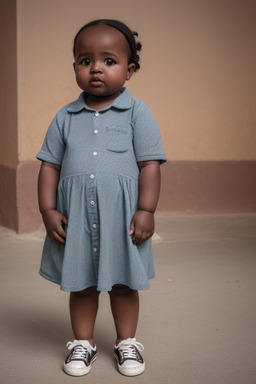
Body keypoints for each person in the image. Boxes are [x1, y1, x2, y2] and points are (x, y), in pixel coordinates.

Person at [37, 19, 166, 377]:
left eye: (109, 60)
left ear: (130, 70)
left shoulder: (138, 113)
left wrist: (146, 209)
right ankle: (83, 343)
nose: (96, 67)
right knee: (81, 284)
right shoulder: (65, 117)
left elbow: (150, 165)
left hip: (121, 218)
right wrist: (48, 209)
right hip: (76, 217)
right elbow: (49, 166)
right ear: (76, 67)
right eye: (85, 60)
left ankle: (127, 343)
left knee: (123, 284)